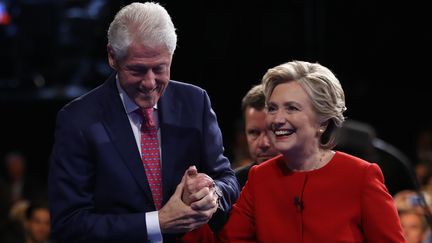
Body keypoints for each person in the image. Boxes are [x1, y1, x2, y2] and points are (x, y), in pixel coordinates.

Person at [48, 2, 239, 243]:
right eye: (137, 70)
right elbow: (69, 224)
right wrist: (157, 222)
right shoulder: (78, 120)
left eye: (159, 68)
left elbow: (227, 178)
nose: (149, 83)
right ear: (112, 57)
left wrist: (212, 192)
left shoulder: (195, 102)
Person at [216, 60, 405, 242]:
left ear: (322, 121)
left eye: (291, 108)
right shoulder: (259, 178)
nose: (277, 119)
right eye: (273, 108)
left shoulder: (361, 176)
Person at [234, 84, 280, 189]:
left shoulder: (315, 178)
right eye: (254, 132)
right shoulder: (233, 185)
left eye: (272, 131)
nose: (263, 143)